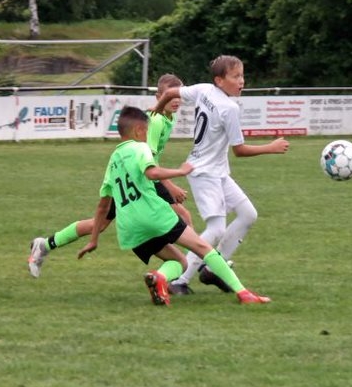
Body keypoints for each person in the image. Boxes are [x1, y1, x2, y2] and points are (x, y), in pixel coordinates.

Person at [76, 105, 270, 306]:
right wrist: (180, 171)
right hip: (153, 215)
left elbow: (102, 207)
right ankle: (244, 293)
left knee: (180, 262)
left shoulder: (113, 160)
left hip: (129, 227)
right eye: (147, 131)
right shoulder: (140, 148)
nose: (147, 136)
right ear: (139, 130)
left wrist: (94, 239)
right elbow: (152, 173)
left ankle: (159, 278)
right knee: (203, 248)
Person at [26, 74, 192, 278]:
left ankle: (45, 244)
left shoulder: (166, 117)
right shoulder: (156, 122)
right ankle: (190, 269)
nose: (175, 100)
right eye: (170, 96)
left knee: (100, 224)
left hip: (134, 176)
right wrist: (171, 186)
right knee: (183, 216)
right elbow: (148, 162)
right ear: (159, 97)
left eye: (178, 95)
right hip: (139, 178)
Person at [151, 55, 289, 295]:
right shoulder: (229, 108)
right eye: (235, 77)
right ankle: (180, 279)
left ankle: (215, 268)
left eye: (242, 75)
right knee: (216, 229)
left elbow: (172, 92)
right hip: (204, 173)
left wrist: (157, 108)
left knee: (248, 214)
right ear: (219, 80)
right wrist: (271, 147)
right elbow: (239, 151)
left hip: (217, 172)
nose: (241, 81)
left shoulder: (203, 90)